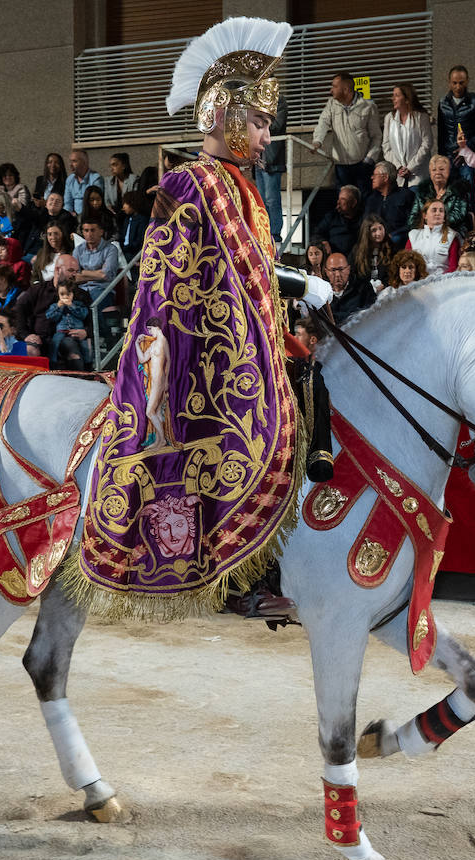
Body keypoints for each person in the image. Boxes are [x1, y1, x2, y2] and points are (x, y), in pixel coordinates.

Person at [85, 17, 328, 619]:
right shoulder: (190, 181)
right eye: (260, 122)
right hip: (199, 343)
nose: (268, 136)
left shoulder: (237, 184)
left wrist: (291, 288)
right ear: (225, 116)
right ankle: (239, 573)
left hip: (243, 333)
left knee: (310, 375)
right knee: (259, 414)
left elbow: (247, 266)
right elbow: (189, 274)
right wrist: (298, 283)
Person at [313, 71, 382, 195]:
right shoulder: (331, 104)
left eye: (334, 87)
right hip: (341, 166)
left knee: (364, 199)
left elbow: (376, 136)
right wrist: (317, 141)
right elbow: (323, 123)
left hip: (363, 165)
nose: (331, 90)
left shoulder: (367, 106)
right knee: (344, 200)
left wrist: (369, 159)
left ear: (345, 89)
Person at [438, 66, 475, 185]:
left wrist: (466, 148)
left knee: (469, 188)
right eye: (454, 83)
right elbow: (441, 132)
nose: (458, 87)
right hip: (449, 155)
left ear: (467, 81)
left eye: (461, 83)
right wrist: (441, 156)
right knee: (449, 190)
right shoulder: (443, 103)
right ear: (449, 82)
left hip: (470, 155)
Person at [406, 155, 472, 240]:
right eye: (434, 170)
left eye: (441, 169)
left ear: (449, 171)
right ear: (430, 173)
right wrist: (425, 228)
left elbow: (458, 215)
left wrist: (435, 224)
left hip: (451, 232)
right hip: (425, 232)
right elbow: (413, 218)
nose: (437, 172)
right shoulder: (422, 191)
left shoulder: (459, 189)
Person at [381, 83, 432, 188]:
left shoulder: (421, 117)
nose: (393, 98)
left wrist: (410, 168)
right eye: (393, 95)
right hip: (398, 177)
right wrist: (399, 167)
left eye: (396, 95)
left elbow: (427, 143)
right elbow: (386, 146)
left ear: (407, 99)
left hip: (418, 176)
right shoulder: (389, 118)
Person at [255, 97, 288, 243]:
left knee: (271, 199)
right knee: (261, 200)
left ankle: (274, 233)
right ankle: (264, 232)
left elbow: (275, 126)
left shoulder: (279, 101)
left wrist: (257, 120)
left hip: (272, 157)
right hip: (258, 158)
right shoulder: (256, 100)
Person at [73, 216, 121, 310]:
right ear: (83, 232)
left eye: (93, 230)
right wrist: (98, 273)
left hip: (102, 290)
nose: (89, 234)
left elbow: (105, 275)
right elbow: (74, 277)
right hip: (81, 289)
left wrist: (83, 272)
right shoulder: (78, 250)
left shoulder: (111, 249)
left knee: (94, 304)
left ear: (101, 232)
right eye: (86, 230)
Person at [363, 162, 415, 248]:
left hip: (398, 238)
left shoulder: (406, 195)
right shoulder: (371, 199)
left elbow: (412, 222)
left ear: (385, 177)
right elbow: (366, 222)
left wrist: (393, 234)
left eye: (375, 175)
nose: (372, 178)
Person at [405, 199, 460, 276]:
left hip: (442, 280)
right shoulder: (413, 235)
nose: (438, 213)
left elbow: (453, 267)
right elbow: (406, 262)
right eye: (434, 210)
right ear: (425, 215)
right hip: (418, 280)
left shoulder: (451, 236)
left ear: (444, 216)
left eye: (441, 211)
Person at [47, 279, 92, 370]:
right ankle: (53, 363)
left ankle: (88, 364)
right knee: (54, 344)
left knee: (86, 347)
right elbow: (50, 317)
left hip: (77, 330)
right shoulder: (55, 306)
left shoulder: (78, 304)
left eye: (68, 294)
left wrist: (71, 306)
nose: (65, 297)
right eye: (62, 294)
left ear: (72, 294)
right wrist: (59, 307)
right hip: (61, 331)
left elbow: (83, 315)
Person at [326, 250, 376, 324]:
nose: (337, 274)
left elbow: (371, 314)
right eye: (333, 270)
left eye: (341, 269)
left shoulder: (363, 288)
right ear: (326, 272)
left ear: (348, 269)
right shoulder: (321, 293)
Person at [313, 185, 362, 255]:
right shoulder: (331, 216)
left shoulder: (363, 217)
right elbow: (316, 234)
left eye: (343, 199)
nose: (338, 202)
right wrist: (323, 241)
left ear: (353, 203)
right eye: (338, 199)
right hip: (334, 257)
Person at [351, 216, 396, 290]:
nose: (379, 233)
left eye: (380, 228)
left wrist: (384, 285)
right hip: (363, 291)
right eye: (374, 230)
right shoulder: (357, 251)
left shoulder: (391, 247)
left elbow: (395, 273)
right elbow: (353, 275)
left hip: (386, 290)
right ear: (367, 233)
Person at [63, 149, 105, 216]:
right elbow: (67, 203)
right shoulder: (70, 179)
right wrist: (68, 215)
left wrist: (81, 217)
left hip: (90, 216)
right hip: (73, 217)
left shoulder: (96, 179)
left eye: (74, 161)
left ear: (84, 163)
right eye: (70, 161)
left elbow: (95, 203)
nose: (70, 165)